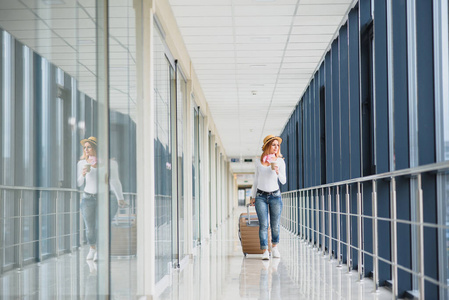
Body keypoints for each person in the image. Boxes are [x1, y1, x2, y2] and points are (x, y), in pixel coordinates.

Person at [77, 136, 127, 261]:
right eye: (85, 147)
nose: (86, 150)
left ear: (96, 148)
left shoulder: (110, 163)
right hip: (88, 198)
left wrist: (120, 198)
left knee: (102, 225)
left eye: (89, 147)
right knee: (89, 228)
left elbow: (115, 181)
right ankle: (92, 248)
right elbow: (78, 183)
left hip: (106, 198)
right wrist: (83, 175)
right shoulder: (82, 163)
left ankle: (101, 250)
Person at [250, 135, 286, 260]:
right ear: (267, 146)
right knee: (263, 224)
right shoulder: (258, 162)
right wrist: (252, 196)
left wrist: (277, 171)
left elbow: (283, 181)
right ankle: (265, 250)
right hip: (260, 196)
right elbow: (255, 180)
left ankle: (274, 247)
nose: (276, 147)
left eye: (278, 145)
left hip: (275, 196)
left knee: (275, 225)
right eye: (273, 145)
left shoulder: (280, 161)